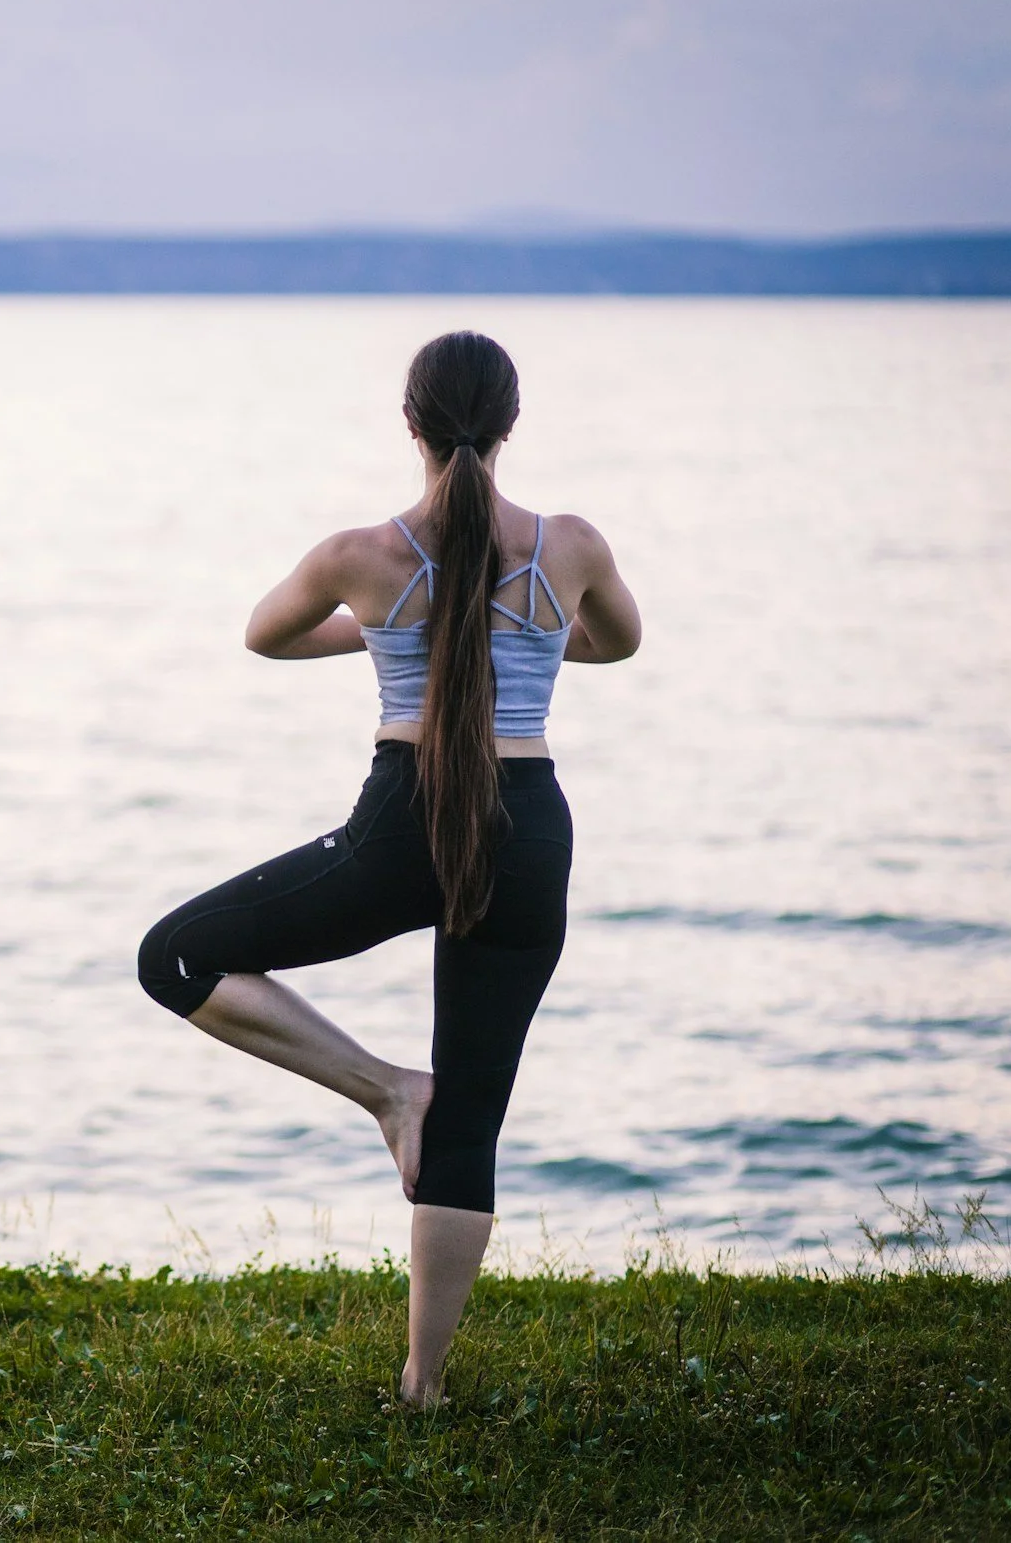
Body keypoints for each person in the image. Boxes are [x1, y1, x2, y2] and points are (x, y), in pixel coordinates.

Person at [135, 331, 641, 1407]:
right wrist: (534, 647)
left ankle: (383, 1090)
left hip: (401, 821)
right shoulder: (572, 545)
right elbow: (617, 642)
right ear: (509, 424)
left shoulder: (359, 556)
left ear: (409, 422)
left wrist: (375, 633)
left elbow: (265, 635)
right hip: (530, 826)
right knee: (472, 1119)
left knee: (175, 955)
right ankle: (424, 1383)